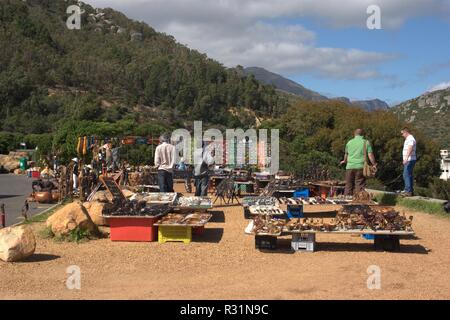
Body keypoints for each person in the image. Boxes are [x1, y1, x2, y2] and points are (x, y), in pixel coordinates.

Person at [340, 129, 377, 196]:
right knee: (359, 185)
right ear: (362, 135)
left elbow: (346, 154)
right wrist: (374, 164)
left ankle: (347, 201)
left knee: (348, 184)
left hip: (350, 166)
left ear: (354, 134)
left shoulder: (349, 142)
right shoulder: (366, 142)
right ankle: (359, 201)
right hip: (361, 167)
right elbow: (370, 155)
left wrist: (344, 161)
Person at [401, 127, 417, 197]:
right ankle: (409, 190)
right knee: (408, 175)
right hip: (409, 159)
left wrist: (406, 158)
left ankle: (408, 191)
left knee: (406, 174)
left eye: (402, 133)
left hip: (409, 160)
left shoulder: (410, 139)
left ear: (405, 132)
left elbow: (410, 148)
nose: (402, 135)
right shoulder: (409, 139)